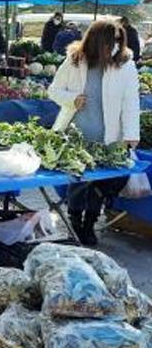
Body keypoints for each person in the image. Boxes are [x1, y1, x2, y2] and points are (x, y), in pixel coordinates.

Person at [48, 20, 139, 246]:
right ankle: (74, 221)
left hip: (109, 136)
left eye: (119, 41)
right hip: (77, 133)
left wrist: (131, 133)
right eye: (111, 41)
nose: (116, 46)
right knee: (79, 181)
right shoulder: (75, 59)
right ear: (97, 41)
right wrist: (72, 99)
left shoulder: (125, 64)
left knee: (101, 182)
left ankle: (90, 223)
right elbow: (53, 90)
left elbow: (131, 101)